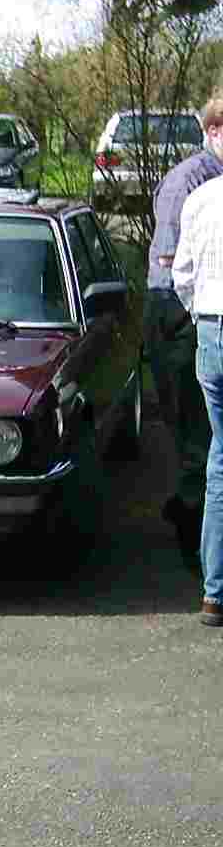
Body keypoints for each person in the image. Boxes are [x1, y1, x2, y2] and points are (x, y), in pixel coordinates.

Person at [148, 94, 223, 570]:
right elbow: (172, 262)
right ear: (213, 131)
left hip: (196, 313)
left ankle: (193, 517)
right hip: (177, 312)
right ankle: (193, 535)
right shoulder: (190, 181)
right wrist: (199, 316)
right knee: (199, 435)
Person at [171, 99, 223, 625]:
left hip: (210, 329)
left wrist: (201, 314)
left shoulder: (201, 199)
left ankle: (215, 592)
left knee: (219, 459)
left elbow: (181, 274)